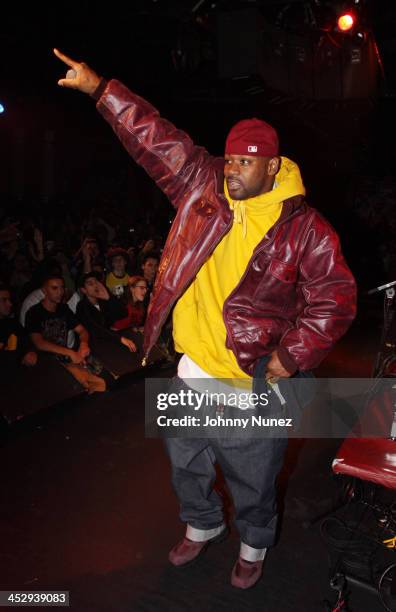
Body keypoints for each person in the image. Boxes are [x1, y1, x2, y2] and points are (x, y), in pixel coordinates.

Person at [54, 48, 357, 589]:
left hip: (249, 377)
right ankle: (202, 526)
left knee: (253, 478)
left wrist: (291, 356)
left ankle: (253, 543)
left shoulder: (306, 229)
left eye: (244, 162)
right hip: (192, 366)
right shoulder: (203, 186)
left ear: (271, 166)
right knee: (185, 465)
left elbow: (335, 297)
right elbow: (156, 138)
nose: (232, 170)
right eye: (229, 159)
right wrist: (101, 89)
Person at [25, 273, 106, 393]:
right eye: (54, 288)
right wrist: (70, 353)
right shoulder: (34, 312)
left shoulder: (63, 309)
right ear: (44, 290)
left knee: (103, 373)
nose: (60, 292)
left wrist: (83, 344)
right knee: (94, 383)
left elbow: (82, 331)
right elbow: (39, 343)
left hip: (65, 358)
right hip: (46, 361)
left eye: (62, 287)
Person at [76, 272, 137, 352]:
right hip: (91, 347)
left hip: (108, 342)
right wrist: (120, 338)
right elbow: (96, 329)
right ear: (83, 290)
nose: (95, 285)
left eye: (96, 282)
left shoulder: (103, 302)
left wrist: (109, 298)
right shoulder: (82, 306)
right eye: (90, 284)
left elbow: (123, 313)